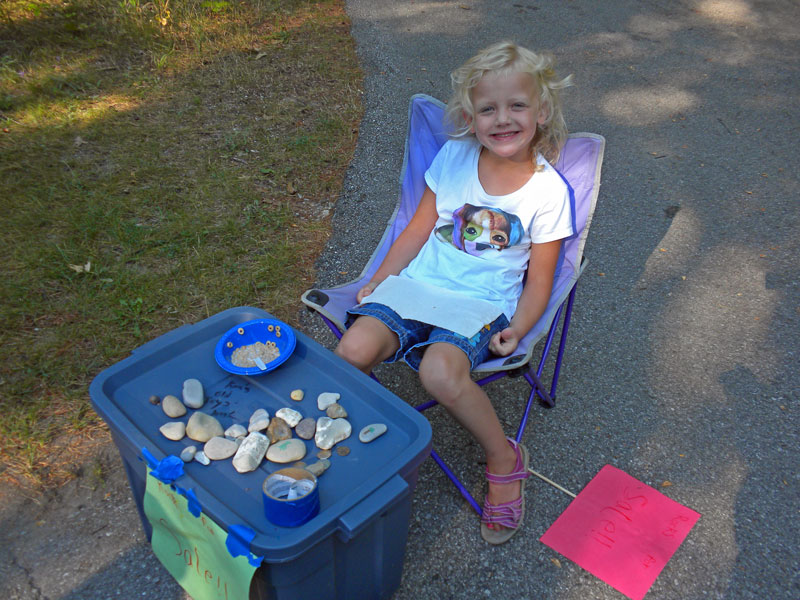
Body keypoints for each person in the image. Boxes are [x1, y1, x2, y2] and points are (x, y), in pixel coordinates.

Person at [335, 41, 574, 545]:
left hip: (480, 307)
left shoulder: (548, 192)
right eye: (488, 108)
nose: (502, 119)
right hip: (416, 286)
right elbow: (418, 229)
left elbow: (540, 280)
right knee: (351, 349)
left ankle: (504, 457)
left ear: (542, 111)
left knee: (438, 371)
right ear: (470, 116)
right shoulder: (454, 157)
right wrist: (380, 278)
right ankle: (337, 454)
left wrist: (520, 328)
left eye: (517, 106)